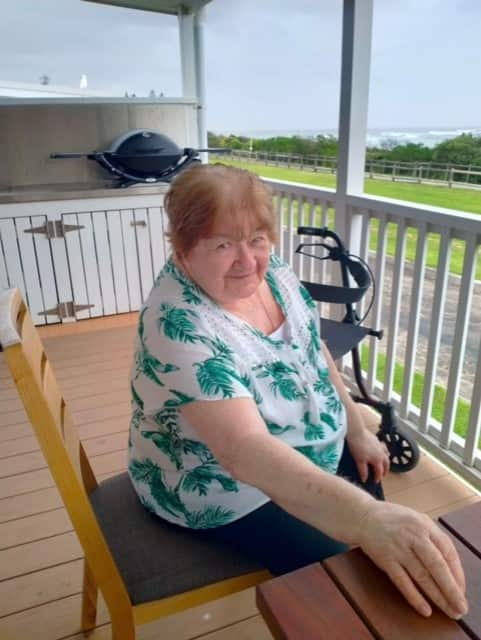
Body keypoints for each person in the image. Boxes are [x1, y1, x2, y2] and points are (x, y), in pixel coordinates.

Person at [128, 164, 468, 621]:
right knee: (347, 590)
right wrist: (366, 520)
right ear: (184, 248)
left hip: (305, 443)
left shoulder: (275, 274)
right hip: (228, 485)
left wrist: (354, 425)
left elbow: (313, 347)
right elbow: (243, 450)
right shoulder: (178, 324)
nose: (247, 260)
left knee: (383, 529)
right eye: (223, 244)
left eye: (257, 239)